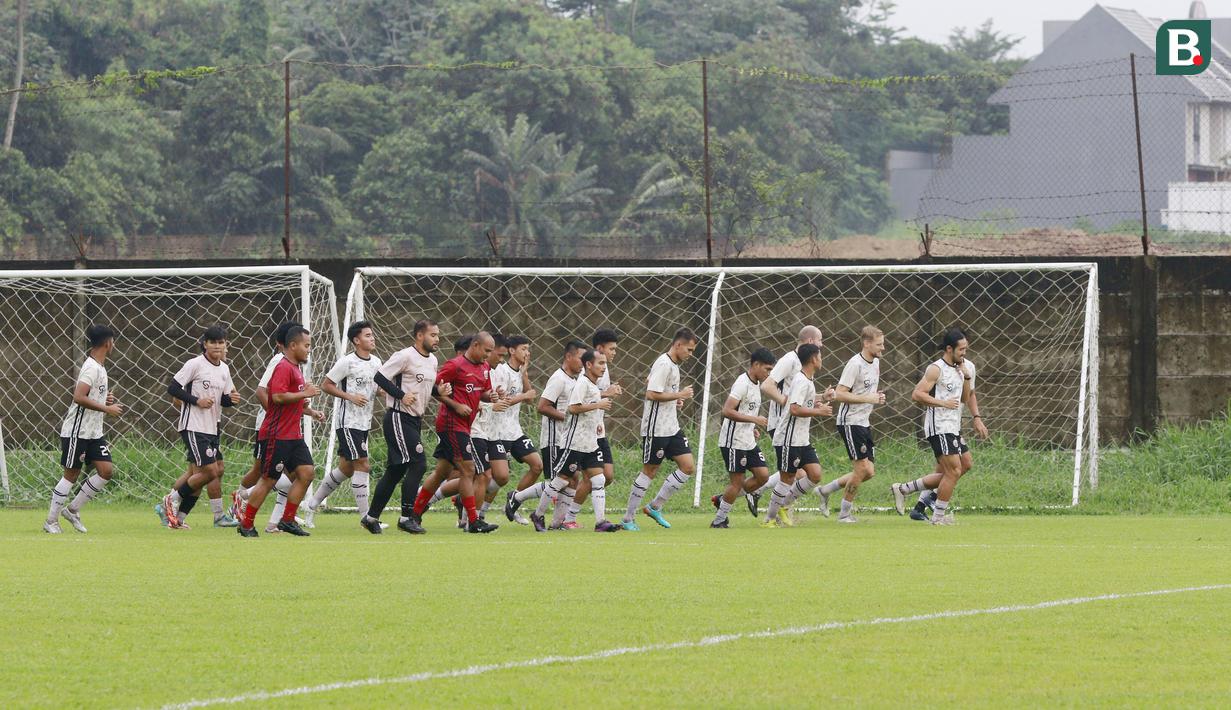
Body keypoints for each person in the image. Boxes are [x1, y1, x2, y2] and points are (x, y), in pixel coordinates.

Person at [407, 331, 500, 533]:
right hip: (451, 423)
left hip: (465, 425)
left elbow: (482, 392)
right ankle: (473, 521)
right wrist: (455, 405)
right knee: (469, 469)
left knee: (441, 472)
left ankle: (413, 515)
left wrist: (490, 395)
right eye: (486, 350)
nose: (488, 355)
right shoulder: (455, 365)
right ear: (475, 345)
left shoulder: (484, 368)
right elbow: (434, 389)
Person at [236, 326, 323, 537]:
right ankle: (246, 524)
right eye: (306, 345)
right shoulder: (283, 366)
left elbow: (292, 400)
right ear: (293, 346)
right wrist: (304, 393)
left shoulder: (295, 369)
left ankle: (287, 520)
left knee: (306, 473)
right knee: (268, 480)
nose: (309, 350)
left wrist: (309, 410)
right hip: (277, 435)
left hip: (293, 435)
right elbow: (277, 397)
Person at [362, 319, 446, 535]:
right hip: (399, 417)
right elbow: (379, 376)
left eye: (437, 335)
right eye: (433, 335)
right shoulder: (405, 355)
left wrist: (440, 391)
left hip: (414, 420)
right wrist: (400, 395)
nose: (437, 339)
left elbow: (426, 387)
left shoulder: (433, 360)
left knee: (396, 470)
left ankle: (371, 518)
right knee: (418, 463)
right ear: (420, 335)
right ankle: (407, 517)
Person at [158, 326, 241, 529]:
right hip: (193, 425)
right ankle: (171, 501)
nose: (217, 346)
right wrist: (196, 401)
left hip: (212, 427)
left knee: (202, 473)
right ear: (205, 344)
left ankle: (179, 518)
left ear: (225, 345)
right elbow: (173, 388)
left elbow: (223, 398)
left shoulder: (224, 368)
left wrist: (231, 400)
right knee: (210, 471)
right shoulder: (194, 364)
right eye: (213, 342)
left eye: (221, 342)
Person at [44, 324, 124, 534]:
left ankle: (72, 510)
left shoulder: (100, 366)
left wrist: (103, 399)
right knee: (72, 473)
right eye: (113, 341)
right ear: (108, 343)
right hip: (77, 431)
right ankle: (51, 521)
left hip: (94, 432)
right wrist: (107, 408)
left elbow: (89, 395)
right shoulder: (91, 367)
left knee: (106, 471)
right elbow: (78, 397)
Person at [303, 320, 383, 527]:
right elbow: (326, 385)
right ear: (356, 340)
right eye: (367, 335)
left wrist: (389, 393)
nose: (372, 338)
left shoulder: (376, 362)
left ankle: (311, 505)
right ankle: (367, 518)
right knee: (363, 465)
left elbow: (378, 388)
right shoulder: (347, 362)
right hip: (348, 422)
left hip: (364, 422)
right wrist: (350, 397)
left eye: (372, 335)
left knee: (346, 469)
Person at [623, 327, 699, 531]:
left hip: (671, 427)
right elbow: (651, 394)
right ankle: (628, 518)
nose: (690, 355)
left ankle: (655, 506)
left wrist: (675, 400)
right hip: (655, 429)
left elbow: (662, 392)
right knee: (650, 470)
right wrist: (679, 395)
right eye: (689, 350)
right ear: (678, 344)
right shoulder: (664, 364)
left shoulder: (674, 365)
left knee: (688, 466)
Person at [903, 328, 973, 526]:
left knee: (966, 464)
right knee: (953, 471)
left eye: (966, 349)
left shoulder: (961, 369)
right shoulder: (936, 368)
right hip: (939, 426)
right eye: (961, 350)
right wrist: (942, 403)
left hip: (953, 426)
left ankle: (905, 489)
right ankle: (938, 518)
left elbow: (964, 399)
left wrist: (966, 378)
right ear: (949, 349)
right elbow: (917, 394)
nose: (964, 353)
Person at [764, 343, 832, 528]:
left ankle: (783, 505)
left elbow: (802, 403)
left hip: (802, 439)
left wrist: (820, 400)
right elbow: (794, 409)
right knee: (787, 478)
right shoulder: (801, 380)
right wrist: (820, 412)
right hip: (788, 439)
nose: (821, 359)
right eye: (820, 356)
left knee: (815, 474)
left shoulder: (807, 380)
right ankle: (768, 519)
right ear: (813, 359)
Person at [553, 348, 621, 531]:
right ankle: (526, 504)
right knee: (562, 481)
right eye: (611, 348)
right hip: (575, 441)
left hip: (593, 438)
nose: (605, 365)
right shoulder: (582, 380)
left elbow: (593, 398)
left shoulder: (597, 377)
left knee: (600, 479)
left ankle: (600, 522)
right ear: (590, 362)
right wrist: (601, 400)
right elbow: (573, 407)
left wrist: (604, 397)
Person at [710, 347, 775, 528]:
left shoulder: (756, 384)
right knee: (737, 483)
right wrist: (755, 419)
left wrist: (751, 427)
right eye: (767, 369)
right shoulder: (742, 383)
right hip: (733, 442)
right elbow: (727, 410)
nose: (769, 374)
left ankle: (722, 499)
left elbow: (745, 410)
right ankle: (719, 520)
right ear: (755, 365)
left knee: (763, 476)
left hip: (747, 440)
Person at [827, 326, 886, 523]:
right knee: (861, 469)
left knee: (869, 471)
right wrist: (868, 398)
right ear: (866, 343)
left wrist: (876, 397)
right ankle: (844, 514)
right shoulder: (855, 364)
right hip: (850, 422)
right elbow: (839, 393)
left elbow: (867, 393)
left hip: (863, 422)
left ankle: (825, 490)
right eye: (879, 344)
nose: (882, 348)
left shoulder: (876, 362)